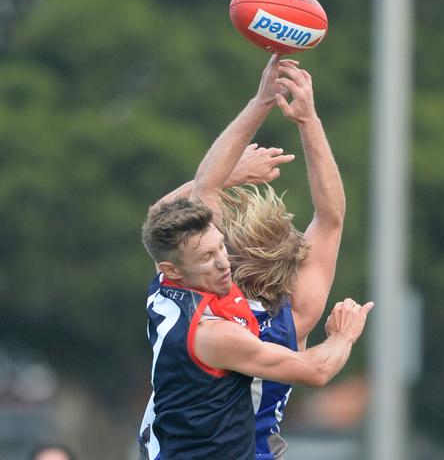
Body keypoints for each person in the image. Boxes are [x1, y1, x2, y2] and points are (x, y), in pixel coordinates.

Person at [138, 55, 373, 460]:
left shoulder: (175, 286)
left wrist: (261, 106)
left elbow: (174, 210)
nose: (220, 260)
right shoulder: (291, 315)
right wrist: (344, 336)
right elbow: (331, 220)